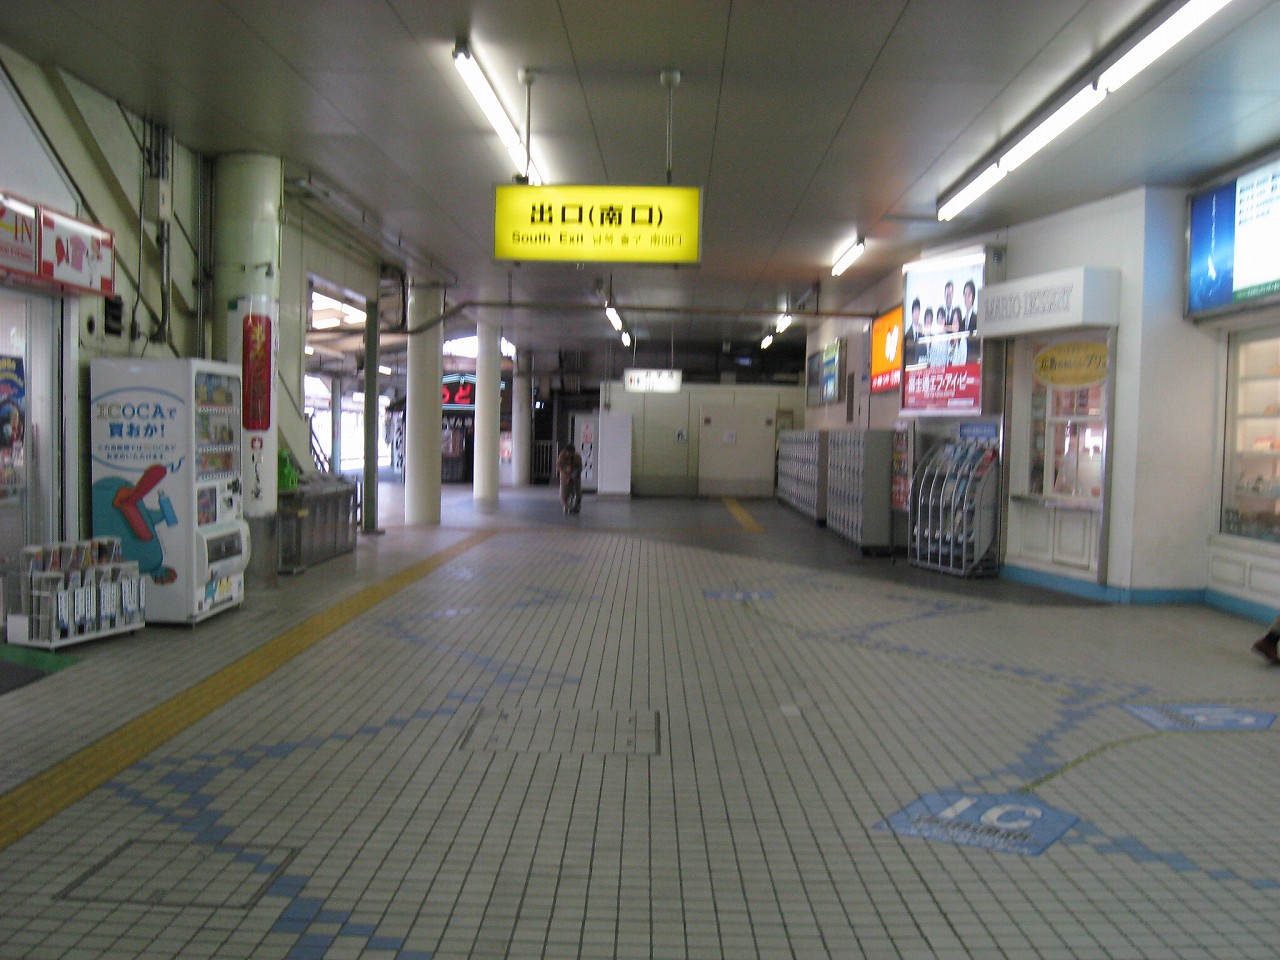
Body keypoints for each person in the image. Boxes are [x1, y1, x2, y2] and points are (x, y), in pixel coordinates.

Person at [557, 442, 582, 514]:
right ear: (566, 451)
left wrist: (575, 471)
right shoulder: (562, 456)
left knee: (578, 493)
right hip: (565, 477)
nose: (570, 454)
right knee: (564, 494)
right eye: (569, 452)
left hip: (576, 477)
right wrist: (566, 469)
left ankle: (576, 507)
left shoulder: (577, 457)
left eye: (572, 453)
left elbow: (580, 467)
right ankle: (566, 506)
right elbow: (559, 466)